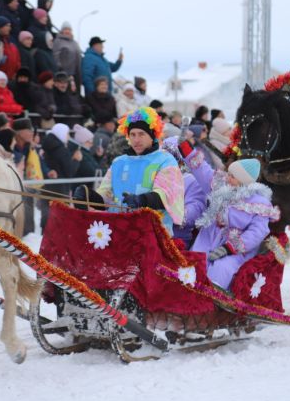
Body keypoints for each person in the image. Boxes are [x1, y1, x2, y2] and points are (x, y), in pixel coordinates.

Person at [180, 139, 278, 290]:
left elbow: (257, 232)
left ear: (243, 181)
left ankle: (213, 299)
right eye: (228, 173)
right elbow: (203, 171)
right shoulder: (220, 186)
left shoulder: (259, 204)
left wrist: (229, 248)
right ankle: (185, 293)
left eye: (232, 176)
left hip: (235, 248)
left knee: (222, 268)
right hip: (209, 237)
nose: (227, 177)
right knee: (196, 261)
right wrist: (187, 150)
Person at [95, 107, 184, 233]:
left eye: (141, 134)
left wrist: (142, 200)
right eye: (133, 134)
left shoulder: (165, 160)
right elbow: (105, 194)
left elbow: (166, 195)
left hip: (153, 233)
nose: (136, 140)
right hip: (118, 231)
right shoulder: (118, 162)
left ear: (152, 135)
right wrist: (89, 196)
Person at [40, 123, 82, 229]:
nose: (68, 137)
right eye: (67, 134)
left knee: (48, 215)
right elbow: (69, 172)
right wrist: (76, 160)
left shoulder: (47, 146)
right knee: (60, 218)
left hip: (48, 186)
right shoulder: (61, 149)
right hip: (60, 189)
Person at [12, 117, 42, 235]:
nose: (31, 133)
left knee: (29, 211)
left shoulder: (28, 146)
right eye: (28, 130)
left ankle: (28, 234)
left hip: (26, 185)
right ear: (19, 133)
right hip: (13, 187)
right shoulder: (11, 145)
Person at [53, 21, 82, 87]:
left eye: (69, 29)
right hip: (63, 74)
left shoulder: (74, 43)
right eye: (65, 29)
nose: (67, 31)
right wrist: (60, 69)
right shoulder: (58, 41)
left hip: (75, 75)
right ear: (62, 31)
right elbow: (55, 56)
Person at [28, 9, 56, 74]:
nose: (46, 19)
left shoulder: (46, 29)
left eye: (46, 17)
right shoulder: (32, 29)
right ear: (38, 18)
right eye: (44, 17)